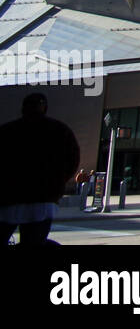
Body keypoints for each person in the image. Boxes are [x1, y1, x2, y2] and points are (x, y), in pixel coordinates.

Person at [0, 92, 81, 246]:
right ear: (45, 108)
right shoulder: (60, 131)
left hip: (8, 198)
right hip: (43, 200)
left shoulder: (7, 131)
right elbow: (72, 162)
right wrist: (56, 183)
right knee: (34, 241)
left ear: (23, 108)